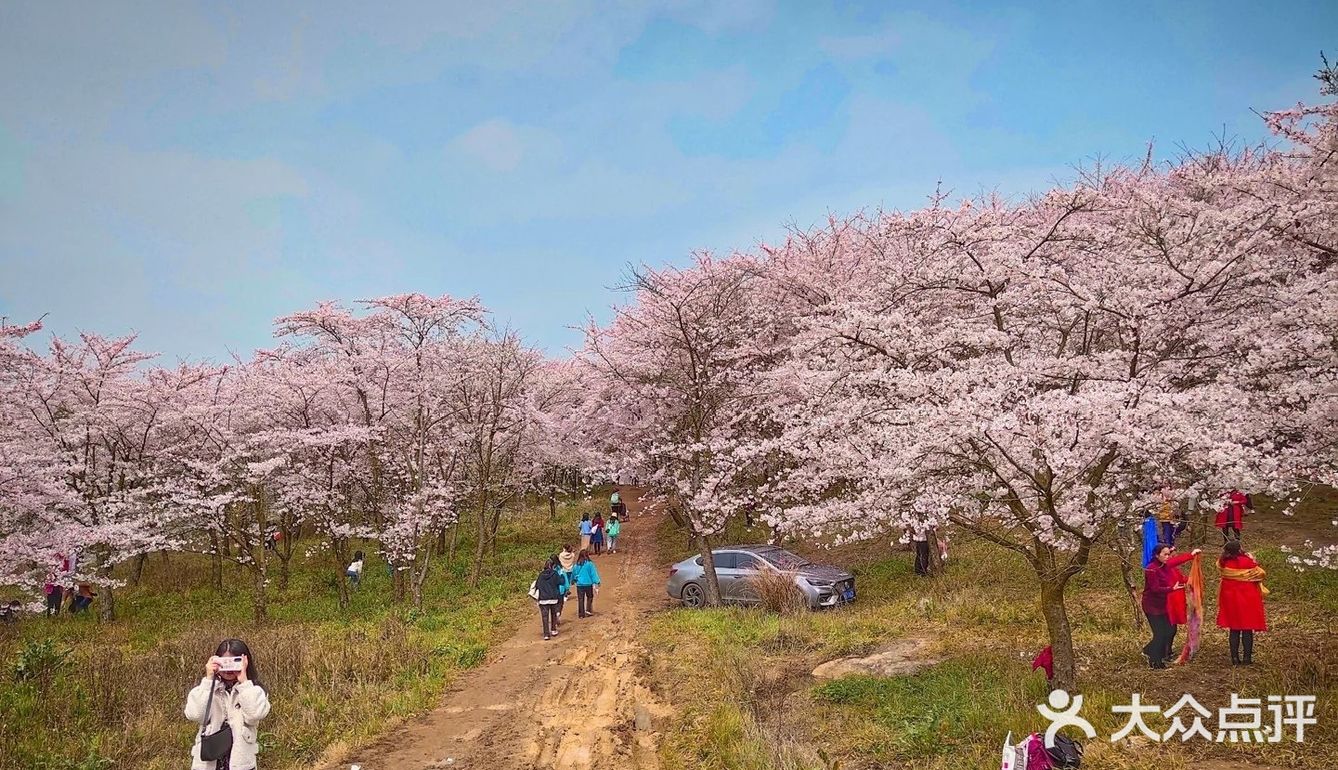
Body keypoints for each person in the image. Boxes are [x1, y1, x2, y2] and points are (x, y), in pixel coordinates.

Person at [184, 638, 271, 770]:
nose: (229, 669)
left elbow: (254, 716)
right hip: (209, 762)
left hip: (241, 762)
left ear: (245, 662)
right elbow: (195, 715)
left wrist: (244, 682)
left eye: (234, 662)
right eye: (225, 662)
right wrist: (209, 680)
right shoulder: (206, 689)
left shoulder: (254, 690)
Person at [1142, 544, 1201, 669]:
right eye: (1165, 554)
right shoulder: (1151, 569)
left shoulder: (1165, 565)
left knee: (1169, 630)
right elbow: (1154, 589)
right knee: (1160, 633)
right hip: (1152, 606)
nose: (1168, 557)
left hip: (1164, 605)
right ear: (1157, 555)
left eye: (1169, 554)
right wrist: (1171, 589)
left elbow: (1177, 560)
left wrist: (1192, 555)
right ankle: (1155, 662)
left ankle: (1149, 650)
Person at [1217, 540, 1268, 665]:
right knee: (1247, 628)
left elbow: (1219, 565)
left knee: (1234, 629)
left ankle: (1234, 658)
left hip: (1230, 599)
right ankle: (1247, 658)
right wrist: (1251, 558)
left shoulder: (1223, 563)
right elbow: (1260, 573)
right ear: (1239, 549)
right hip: (1247, 599)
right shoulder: (1247, 562)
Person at [535, 558, 563, 640]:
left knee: (544, 617)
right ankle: (553, 630)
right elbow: (560, 582)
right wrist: (562, 576)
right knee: (553, 614)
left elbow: (537, 585)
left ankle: (546, 634)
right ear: (553, 566)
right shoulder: (555, 574)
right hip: (553, 598)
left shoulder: (541, 575)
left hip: (543, 599)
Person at [573, 549, 601, 618]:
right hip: (588, 584)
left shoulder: (577, 565)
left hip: (579, 584)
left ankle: (581, 614)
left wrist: (573, 580)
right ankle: (588, 610)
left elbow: (574, 574)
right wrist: (597, 581)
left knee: (580, 599)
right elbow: (593, 574)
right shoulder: (590, 564)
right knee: (590, 597)